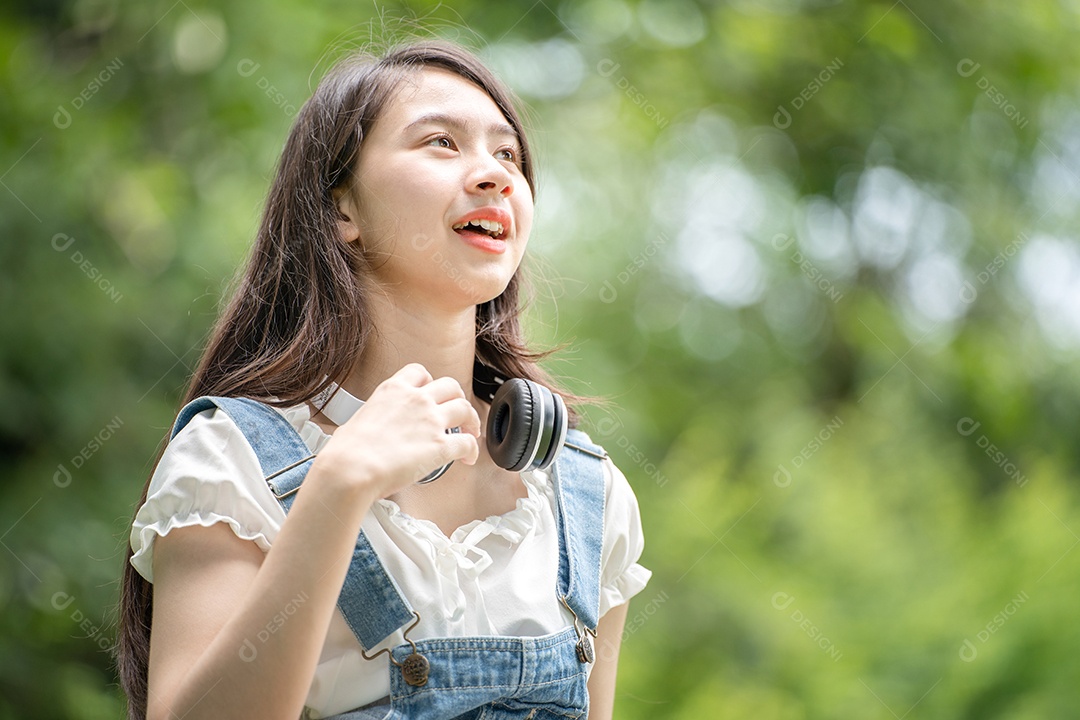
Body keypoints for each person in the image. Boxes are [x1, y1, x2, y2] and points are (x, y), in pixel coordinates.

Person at [117, 39, 650, 720]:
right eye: (440, 143)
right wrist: (337, 488)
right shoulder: (230, 461)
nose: (494, 175)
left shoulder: (585, 492)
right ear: (344, 210)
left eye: (508, 154)